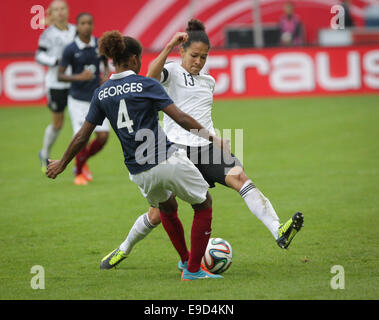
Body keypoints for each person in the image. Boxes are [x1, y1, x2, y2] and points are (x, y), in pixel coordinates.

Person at [110, 19, 304, 269]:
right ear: (182, 52)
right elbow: (151, 76)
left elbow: (201, 115)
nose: (198, 62)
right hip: (175, 151)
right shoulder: (172, 72)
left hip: (207, 148)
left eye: (203, 57)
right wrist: (169, 46)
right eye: (194, 55)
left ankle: (279, 231)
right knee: (158, 213)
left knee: (241, 178)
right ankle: (124, 248)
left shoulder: (208, 81)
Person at [46, 30, 230, 281]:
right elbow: (181, 118)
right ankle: (194, 270)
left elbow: (82, 136)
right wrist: (211, 137)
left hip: (138, 171)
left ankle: (187, 260)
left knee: (167, 207)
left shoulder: (102, 93)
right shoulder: (147, 84)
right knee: (203, 204)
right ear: (133, 59)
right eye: (140, 57)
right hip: (166, 158)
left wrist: (62, 163)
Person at [57, 12, 110, 185]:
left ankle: (80, 161)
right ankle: (79, 173)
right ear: (77, 26)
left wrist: (105, 76)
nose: (86, 26)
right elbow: (60, 75)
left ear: (92, 25)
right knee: (82, 137)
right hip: (78, 100)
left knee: (102, 137)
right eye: (83, 23)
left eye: (89, 23)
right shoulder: (70, 49)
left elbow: (106, 66)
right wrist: (78, 77)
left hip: (96, 97)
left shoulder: (98, 44)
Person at [36, 0, 76, 173]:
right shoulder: (47, 35)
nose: (60, 12)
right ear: (51, 14)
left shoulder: (76, 30)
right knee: (58, 124)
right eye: (56, 10)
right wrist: (55, 61)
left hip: (76, 82)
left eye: (62, 9)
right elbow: (39, 55)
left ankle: (80, 164)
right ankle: (44, 152)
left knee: (80, 124)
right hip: (56, 84)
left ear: (67, 11)